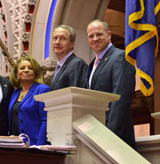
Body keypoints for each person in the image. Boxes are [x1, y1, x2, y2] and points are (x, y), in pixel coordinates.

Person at [86, 19, 136, 148]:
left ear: (109, 35)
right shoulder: (92, 64)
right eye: (91, 36)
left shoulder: (120, 57)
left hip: (114, 135)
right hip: (96, 131)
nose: (95, 38)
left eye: (99, 34)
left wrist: (111, 134)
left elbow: (121, 98)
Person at [8, 56, 50, 146]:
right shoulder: (15, 93)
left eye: (30, 68)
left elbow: (46, 121)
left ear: (35, 72)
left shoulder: (42, 89)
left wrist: (39, 146)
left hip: (33, 146)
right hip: (14, 145)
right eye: (22, 68)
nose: (26, 70)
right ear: (17, 73)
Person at [50, 24, 88, 91]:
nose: (57, 42)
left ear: (72, 44)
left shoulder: (77, 64)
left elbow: (76, 94)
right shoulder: (59, 67)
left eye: (63, 38)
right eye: (55, 38)